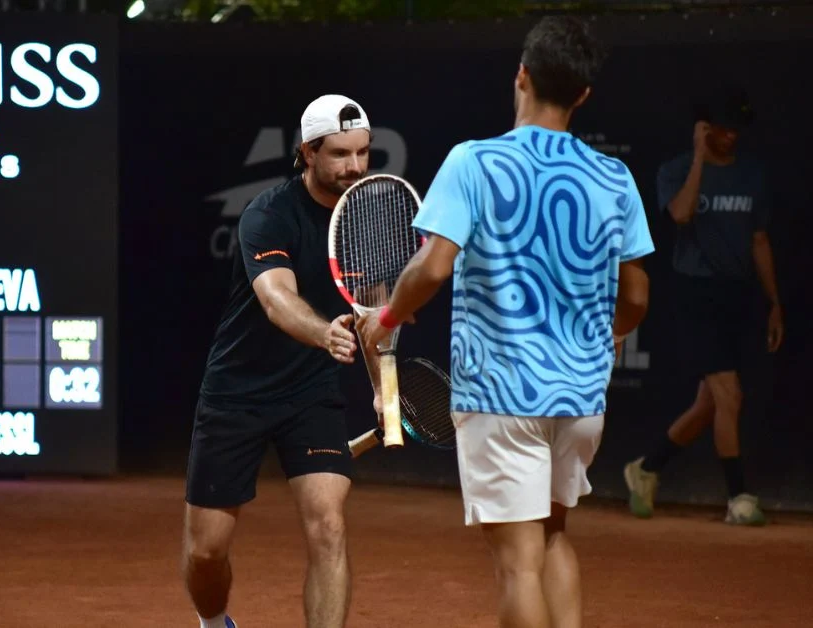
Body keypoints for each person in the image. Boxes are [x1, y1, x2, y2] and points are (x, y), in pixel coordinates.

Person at [357, 17, 653, 628]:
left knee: (518, 567)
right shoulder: (615, 178)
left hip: (500, 395)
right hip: (581, 398)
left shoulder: (473, 161)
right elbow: (637, 295)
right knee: (553, 537)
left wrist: (386, 319)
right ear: (582, 94)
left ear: (521, 75)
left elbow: (433, 267)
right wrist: (614, 334)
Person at [182, 94, 382, 628]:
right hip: (237, 392)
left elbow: (374, 314)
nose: (355, 166)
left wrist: (382, 385)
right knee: (207, 552)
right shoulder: (268, 214)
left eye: (363, 152)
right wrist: (323, 333)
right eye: (340, 153)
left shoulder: (365, 220)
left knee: (329, 526)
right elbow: (276, 300)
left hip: (311, 393)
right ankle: (213, 622)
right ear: (308, 152)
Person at [622, 85, 783, 526]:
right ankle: (738, 497)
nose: (732, 136)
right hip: (696, 294)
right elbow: (680, 214)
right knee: (731, 395)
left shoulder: (752, 175)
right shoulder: (675, 170)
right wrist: (698, 157)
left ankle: (646, 469)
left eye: (737, 129)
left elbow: (759, 240)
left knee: (709, 404)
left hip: (738, 295)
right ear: (705, 128)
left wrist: (774, 302)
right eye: (723, 128)